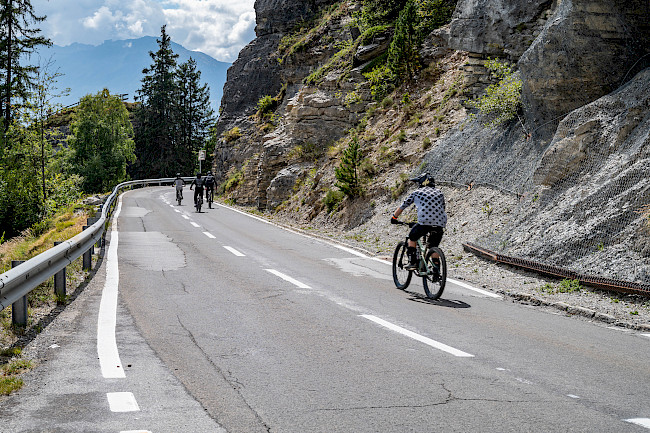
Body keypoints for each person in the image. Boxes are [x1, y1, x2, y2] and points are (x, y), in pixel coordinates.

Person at [391, 173, 447, 270]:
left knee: (412, 237)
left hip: (424, 222)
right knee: (433, 246)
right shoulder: (440, 193)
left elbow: (403, 205)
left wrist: (394, 217)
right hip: (440, 223)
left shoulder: (417, 192)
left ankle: (413, 262)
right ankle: (436, 269)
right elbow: (442, 208)